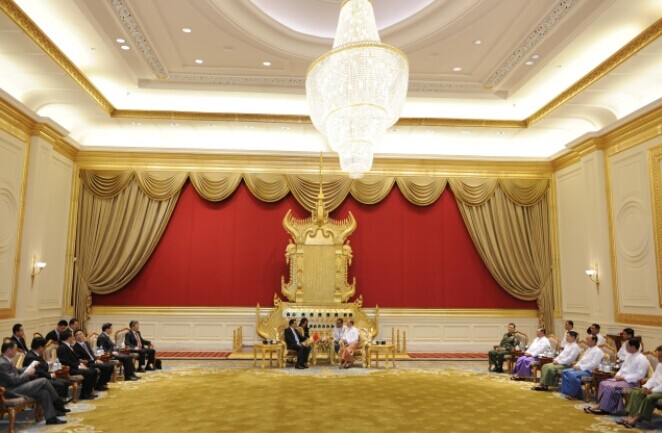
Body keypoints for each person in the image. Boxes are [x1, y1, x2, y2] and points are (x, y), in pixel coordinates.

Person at [0, 340, 68, 425]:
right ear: (9, 350)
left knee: (44, 392)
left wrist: (29, 367)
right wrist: (27, 373)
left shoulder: (5, 360)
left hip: (16, 387)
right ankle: (58, 402)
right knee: (44, 381)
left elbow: (17, 371)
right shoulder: (2, 363)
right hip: (10, 391)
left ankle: (51, 418)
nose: (16, 351)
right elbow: (14, 381)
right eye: (15, 349)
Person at [585, 339, 649, 415]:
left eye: (627, 346)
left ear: (633, 347)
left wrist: (624, 378)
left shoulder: (642, 359)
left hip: (631, 383)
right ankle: (601, 405)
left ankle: (605, 409)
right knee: (603, 383)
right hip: (621, 380)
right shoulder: (629, 356)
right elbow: (622, 369)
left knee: (610, 387)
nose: (625, 347)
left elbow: (640, 375)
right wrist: (617, 375)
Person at [616, 345, 662, 429]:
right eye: (658, 356)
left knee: (649, 397)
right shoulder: (660, 365)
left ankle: (636, 420)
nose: (658, 358)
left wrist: (652, 391)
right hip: (656, 389)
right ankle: (630, 417)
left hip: (659, 391)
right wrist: (646, 387)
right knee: (635, 392)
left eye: (660, 356)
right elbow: (653, 379)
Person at [56, 330, 97, 400]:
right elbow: (65, 362)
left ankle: (88, 391)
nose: (73, 338)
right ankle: (84, 394)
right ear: (68, 338)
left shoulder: (69, 346)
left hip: (75, 367)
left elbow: (75, 358)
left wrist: (81, 363)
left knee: (93, 371)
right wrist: (78, 366)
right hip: (70, 369)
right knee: (89, 372)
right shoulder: (62, 347)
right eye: (72, 336)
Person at [560, 334, 604, 400]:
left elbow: (594, 364)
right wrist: (576, 365)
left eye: (588, 339)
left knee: (572, 374)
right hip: (581, 369)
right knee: (565, 372)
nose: (586, 341)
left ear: (594, 341)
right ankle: (567, 392)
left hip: (589, 371)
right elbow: (582, 360)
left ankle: (575, 394)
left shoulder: (598, 351)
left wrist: (580, 367)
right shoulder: (589, 349)